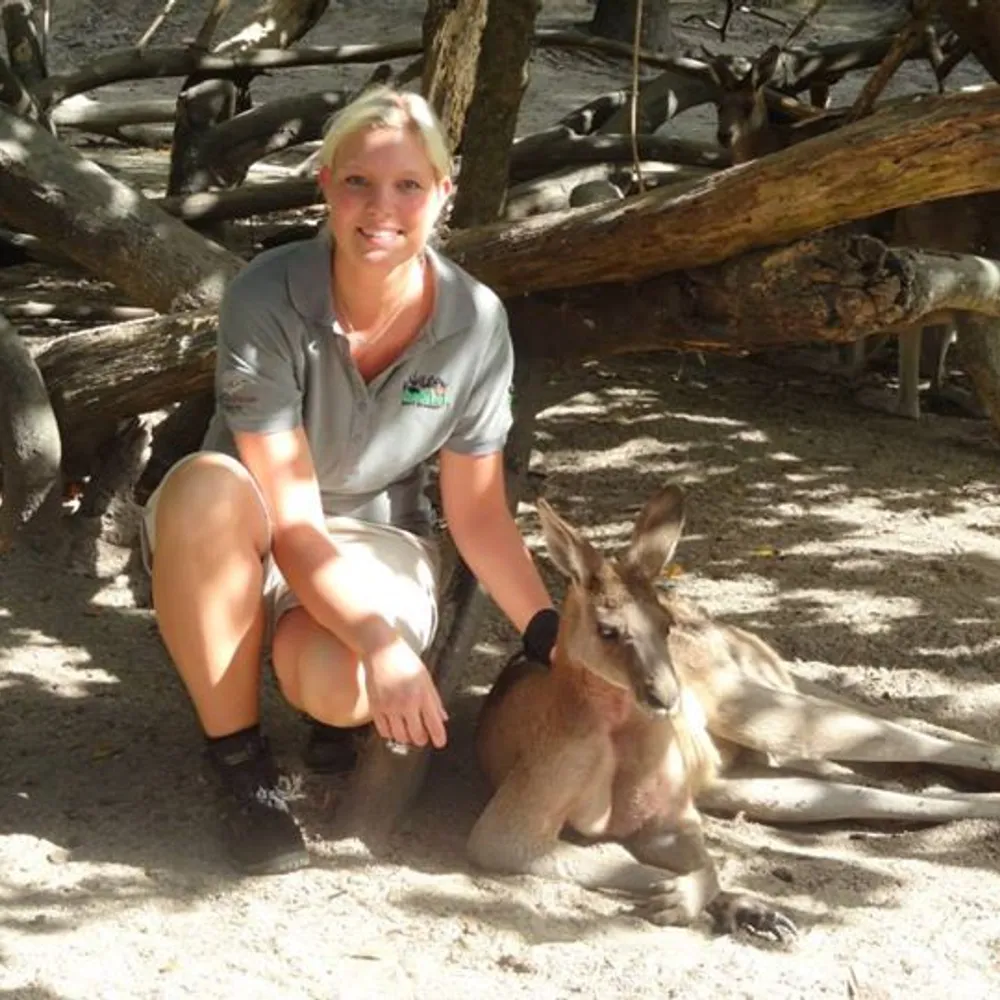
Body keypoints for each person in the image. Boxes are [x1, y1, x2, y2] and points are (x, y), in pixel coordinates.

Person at [140, 86, 561, 876]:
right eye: (359, 182)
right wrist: (381, 640)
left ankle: (321, 700)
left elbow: (477, 515)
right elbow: (294, 520)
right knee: (203, 489)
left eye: (408, 185)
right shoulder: (267, 294)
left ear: (444, 193)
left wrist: (550, 635)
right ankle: (240, 766)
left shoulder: (475, 321)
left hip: (375, 534)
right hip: (246, 521)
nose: (381, 208)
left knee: (346, 685)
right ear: (325, 184)